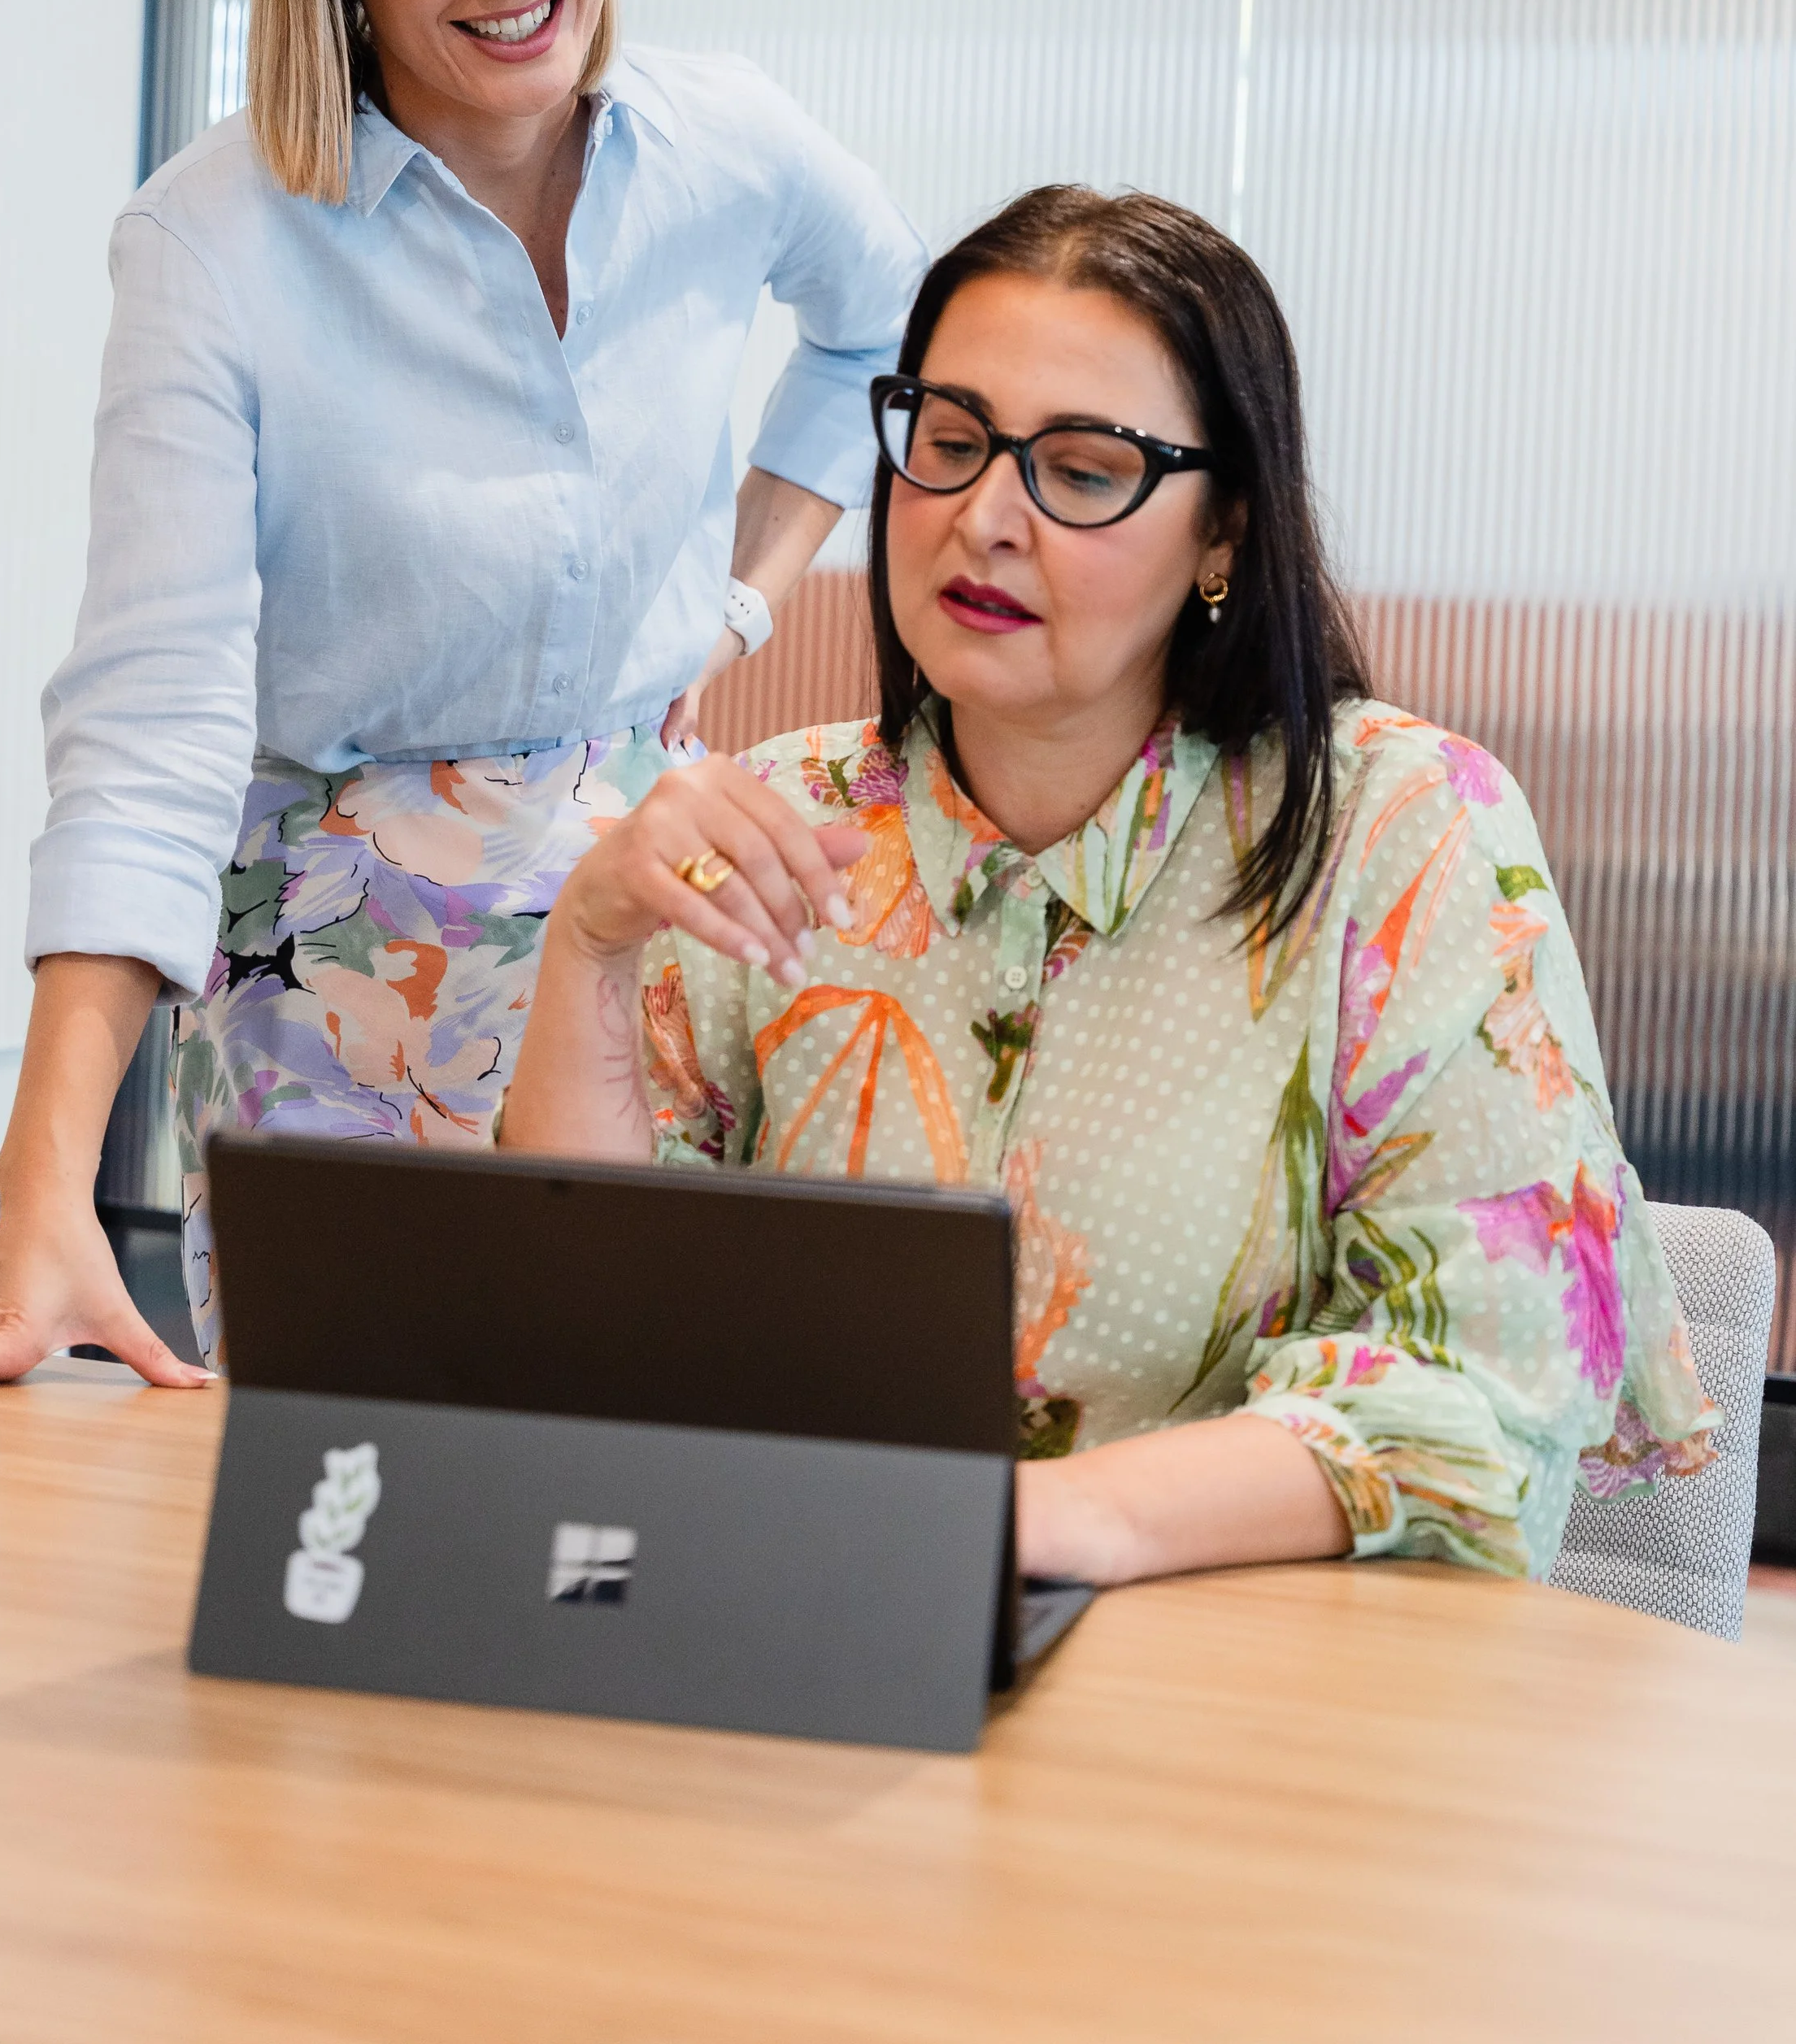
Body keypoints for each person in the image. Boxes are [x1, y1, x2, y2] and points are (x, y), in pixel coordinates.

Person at [0, 0, 922, 1394]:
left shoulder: (730, 151)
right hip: (340, 960)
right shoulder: (219, 244)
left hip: (645, 902)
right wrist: (41, 1174)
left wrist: (739, 600)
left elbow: (880, 327)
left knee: (654, 1483)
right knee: (362, 1513)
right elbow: (154, 716)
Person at [501, 184, 1715, 1586]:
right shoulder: (787, 818)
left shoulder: (1405, 832)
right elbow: (582, 1359)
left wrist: (1035, 1526)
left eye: (1082, 472)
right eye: (949, 444)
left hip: (1251, 1703)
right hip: (819, 1648)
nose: (983, 519)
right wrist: (588, 946)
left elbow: (1475, 1395)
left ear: (1225, 536)